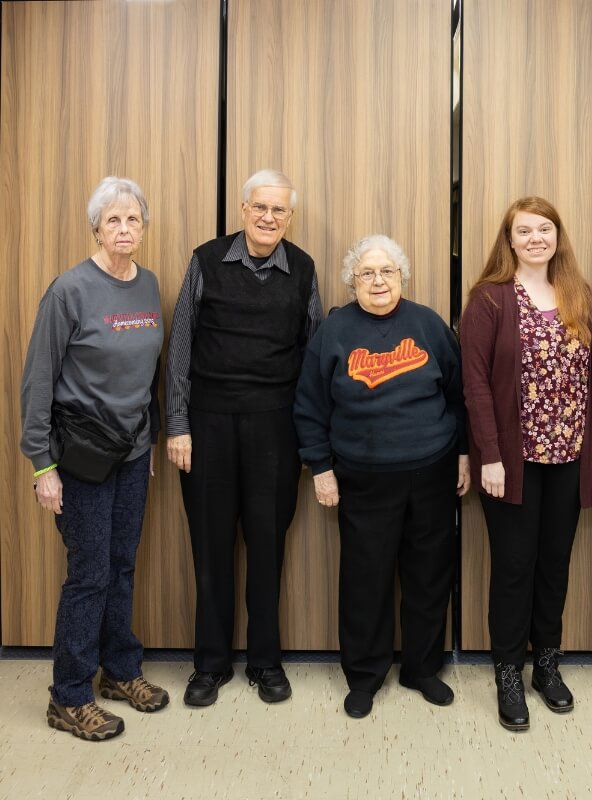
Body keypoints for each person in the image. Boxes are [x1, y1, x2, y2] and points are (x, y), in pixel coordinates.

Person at [460, 197, 592, 732]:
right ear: (509, 241)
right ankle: (508, 671)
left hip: (570, 458)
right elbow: (475, 385)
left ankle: (546, 666)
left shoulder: (580, 295)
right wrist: (489, 455)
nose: (535, 238)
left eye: (544, 229)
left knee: (554, 565)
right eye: (523, 231)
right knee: (512, 568)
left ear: (557, 236)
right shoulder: (489, 299)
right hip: (511, 462)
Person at [166, 169, 324, 706]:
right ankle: (209, 665)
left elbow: (315, 357)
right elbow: (180, 346)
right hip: (208, 426)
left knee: (267, 547)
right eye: (259, 207)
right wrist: (178, 425)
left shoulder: (302, 269)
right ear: (242, 209)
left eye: (279, 210)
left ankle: (265, 662)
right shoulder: (206, 260)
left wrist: (311, 440)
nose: (268, 217)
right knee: (209, 550)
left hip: (275, 429)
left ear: (290, 217)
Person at [294, 235, 468, 719]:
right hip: (362, 475)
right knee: (365, 580)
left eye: (387, 271)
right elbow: (309, 407)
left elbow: (458, 394)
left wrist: (464, 454)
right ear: (352, 281)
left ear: (402, 277)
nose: (377, 281)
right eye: (367, 273)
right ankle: (365, 676)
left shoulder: (428, 324)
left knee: (428, 574)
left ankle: (422, 669)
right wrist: (321, 468)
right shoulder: (334, 332)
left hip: (431, 470)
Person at [20, 177, 168, 741]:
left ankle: (120, 671)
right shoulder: (70, 291)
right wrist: (42, 465)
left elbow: (146, 374)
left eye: (133, 220)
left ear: (143, 227)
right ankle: (70, 695)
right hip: (78, 458)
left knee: (122, 564)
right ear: (96, 229)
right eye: (113, 221)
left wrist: (149, 439)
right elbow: (37, 382)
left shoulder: (148, 285)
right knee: (88, 574)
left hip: (131, 452)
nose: (125, 230)